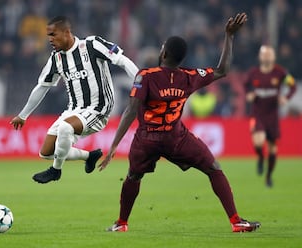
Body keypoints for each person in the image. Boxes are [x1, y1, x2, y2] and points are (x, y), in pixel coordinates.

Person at [99, 13, 261, 233]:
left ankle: (121, 223)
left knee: (133, 176)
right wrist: (229, 37)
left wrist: (114, 146)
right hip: (176, 137)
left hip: (147, 139)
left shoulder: (145, 76)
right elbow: (223, 70)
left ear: (163, 53)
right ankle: (235, 220)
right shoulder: (189, 76)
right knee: (213, 168)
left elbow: (130, 110)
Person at [10, 16, 139, 183]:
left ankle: (55, 171)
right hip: (74, 110)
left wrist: (141, 83)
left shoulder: (92, 45)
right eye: (48, 35)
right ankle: (90, 156)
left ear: (67, 32)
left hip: (98, 109)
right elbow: (42, 86)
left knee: (65, 127)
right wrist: (23, 115)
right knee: (46, 152)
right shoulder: (56, 58)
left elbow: (122, 61)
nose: (50, 39)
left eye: (53, 35)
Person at [244, 45, 296, 187]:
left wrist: (286, 97)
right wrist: (248, 95)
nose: (266, 57)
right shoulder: (253, 73)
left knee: (273, 148)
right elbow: (246, 86)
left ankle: (268, 176)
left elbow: (293, 85)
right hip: (258, 114)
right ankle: (261, 157)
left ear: (273, 57)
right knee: (259, 142)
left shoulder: (281, 73)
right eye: (264, 54)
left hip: (272, 116)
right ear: (260, 57)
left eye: (269, 54)